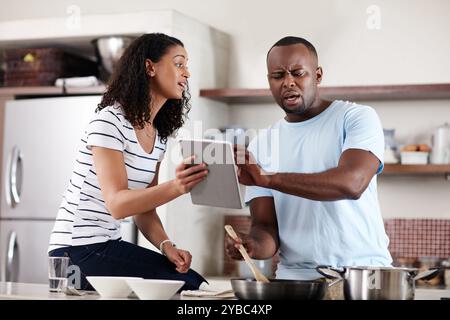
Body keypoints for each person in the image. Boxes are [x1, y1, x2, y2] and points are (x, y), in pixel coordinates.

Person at [48, 33, 209, 290]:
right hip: (74, 252)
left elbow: (144, 210)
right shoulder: (109, 122)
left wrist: (167, 246)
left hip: (105, 246)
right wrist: (177, 187)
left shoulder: (159, 135)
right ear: (150, 67)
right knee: (190, 285)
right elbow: (118, 205)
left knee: (190, 282)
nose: (186, 73)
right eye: (179, 64)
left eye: (187, 66)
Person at [226, 36, 392, 280]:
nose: (288, 82)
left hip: (361, 277)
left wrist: (269, 179)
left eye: (298, 73)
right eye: (278, 76)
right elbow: (266, 227)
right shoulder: (262, 143)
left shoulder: (356, 118)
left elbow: (352, 183)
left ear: (318, 75)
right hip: (295, 281)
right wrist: (252, 246)